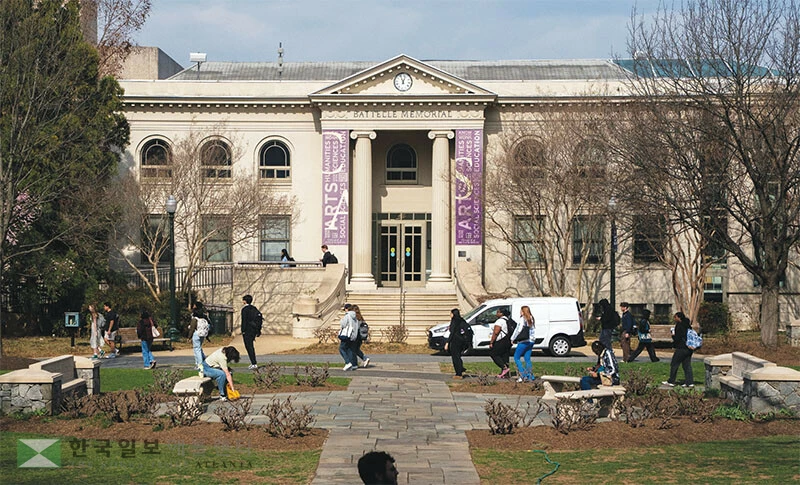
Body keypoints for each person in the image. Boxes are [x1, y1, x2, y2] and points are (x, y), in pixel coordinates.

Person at [663, 312, 694, 387]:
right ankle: (689, 382)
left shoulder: (679, 326)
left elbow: (677, 338)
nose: (674, 319)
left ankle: (671, 381)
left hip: (681, 348)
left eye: (675, 317)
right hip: (689, 348)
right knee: (687, 365)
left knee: (674, 364)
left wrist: (673, 335)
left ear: (679, 317)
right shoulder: (688, 325)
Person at [511, 305, 536, 382]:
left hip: (523, 340)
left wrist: (512, 338)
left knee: (516, 357)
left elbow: (518, 329)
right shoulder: (531, 318)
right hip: (531, 341)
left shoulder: (522, 319)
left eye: (521, 311)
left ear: (523, 311)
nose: (520, 312)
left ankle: (522, 375)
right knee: (527, 358)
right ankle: (530, 375)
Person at [444, 308, 470, 379]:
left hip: (455, 341)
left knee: (455, 357)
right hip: (462, 341)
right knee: (458, 356)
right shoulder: (462, 320)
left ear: (453, 314)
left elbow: (452, 333)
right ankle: (461, 368)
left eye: (450, 313)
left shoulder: (454, 321)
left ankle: (458, 374)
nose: (450, 314)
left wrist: (447, 342)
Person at [489, 308, 512, 378]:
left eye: (497, 312)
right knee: (505, 356)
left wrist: (491, 342)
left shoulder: (499, 321)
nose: (496, 313)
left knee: (493, 354)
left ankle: (504, 368)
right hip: (508, 340)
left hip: (501, 340)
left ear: (501, 313)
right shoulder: (508, 320)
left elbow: (496, 332)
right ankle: (506, 374)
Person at [241, 295, 262, 370]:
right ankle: (253, 362)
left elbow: (244, 321)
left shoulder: (244, 310)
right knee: (251, 346)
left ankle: (254, 363)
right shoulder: (254, 308)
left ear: (245, 301)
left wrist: (243, 330)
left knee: (249, 346)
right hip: (253, 330)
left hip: (247, 330)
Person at [189, 302, 210, 376]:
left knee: (196, 349)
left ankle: (199, 364)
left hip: (196, 333)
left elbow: (192, 327)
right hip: (203, 334)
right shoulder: (204, 315)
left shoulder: (194, 315)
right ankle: (203, 361)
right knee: (199, 348)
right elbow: (209, 323)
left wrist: (189, 337)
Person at [338, 303, 358, 370]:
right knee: (349, 349)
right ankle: (353, 364)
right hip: (352, 335)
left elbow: (343, 325)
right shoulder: (355, 316)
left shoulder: (347, 316)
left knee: (341, 349)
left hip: (346, 335)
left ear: (347, 309)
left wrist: (341, 320)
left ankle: (347, 362)